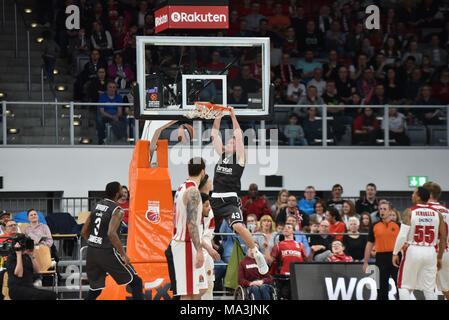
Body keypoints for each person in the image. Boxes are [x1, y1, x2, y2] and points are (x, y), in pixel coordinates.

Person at [210, 107, 269, 275]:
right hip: (214, 198)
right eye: (230, 141)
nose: (232, 142)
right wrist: (218, 116)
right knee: (200, 222)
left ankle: (256, 253)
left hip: (230, 199)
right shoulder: (222, 155)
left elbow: (238, 134)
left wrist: (232, 115)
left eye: (234, 142)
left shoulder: (241, 157)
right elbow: (214, 134)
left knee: (238, 226)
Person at [80, 181, 144, 300]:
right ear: (116, 194)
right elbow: (111, 233)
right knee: (136, 282)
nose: (123, 192)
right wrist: (123, 255)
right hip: (106, 252)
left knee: (95, 290)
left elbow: (84, 231)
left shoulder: (97, 206)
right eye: (121, 189)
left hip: (91, 251)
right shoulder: (117, 210)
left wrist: (95, 242)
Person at [392, 187, 446, 300]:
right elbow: (443, 238)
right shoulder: (438, 214)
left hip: (413, 249)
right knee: (429, 289)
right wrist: (439, 257)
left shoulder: (410, 211)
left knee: (404, 286)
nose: (412, 195)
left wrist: (395, 252)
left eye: (414, 193)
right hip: (431, 251)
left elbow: (402, 235)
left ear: (419, 197)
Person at [170, 158, 208, 300]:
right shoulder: (192, 191)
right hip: (185, 244)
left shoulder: (182, 187)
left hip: (184, 242)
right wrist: (199, 250)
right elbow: (191, 224)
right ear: (202, 171)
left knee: (201, 287)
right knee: (187, 293)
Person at [363, 200, 400, 300]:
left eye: (384, 209)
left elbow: (404, 244)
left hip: (395, 257)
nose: (382, 211)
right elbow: (369, 244)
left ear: (390, 211)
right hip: (380, 258)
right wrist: (365, 262)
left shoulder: (398, 226)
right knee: (381, 289)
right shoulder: (374, 226)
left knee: (400, 288)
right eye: (380, 209)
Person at [5, 235, 57, 300]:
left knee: (52, 295)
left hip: (29, 287)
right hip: (16, 289)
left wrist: (32, 256)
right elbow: (19, 274)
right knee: (43, 296)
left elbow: (37, 271)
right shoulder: (11, 257)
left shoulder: (26, 256)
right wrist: (18, 254)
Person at [423, 181, 449, 300]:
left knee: (428, 287)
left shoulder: (424, 210)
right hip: (446, 252)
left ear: (428, 193)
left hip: (429, 252)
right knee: (445, 289)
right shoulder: (447, 211)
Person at [199, 192, 220, 301]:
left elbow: (208, 234)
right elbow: (196, 236)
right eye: (206, 205)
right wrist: (209, 249)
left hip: (207, 248)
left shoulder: (209, 213)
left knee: (209, 283)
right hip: (196, 250)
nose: (209, 208)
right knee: (196, 287)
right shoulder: (191, 214)